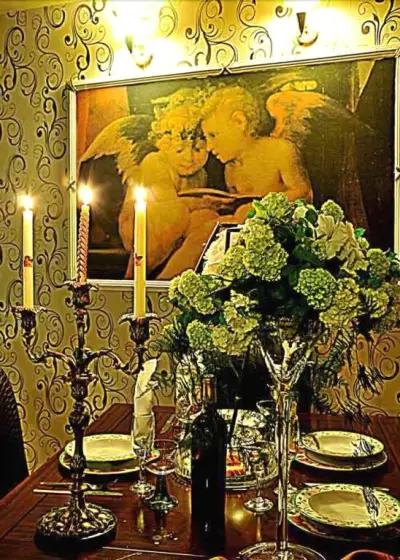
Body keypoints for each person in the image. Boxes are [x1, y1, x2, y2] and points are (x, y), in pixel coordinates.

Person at [118, 89, 224, 279]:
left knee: (205, 217)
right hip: (142, 227)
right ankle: (136, 273)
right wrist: (202, 202)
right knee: (172, 211)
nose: (189, 158)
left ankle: (176, 276)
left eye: (198, 149)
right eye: (179, 150)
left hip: (177, 227)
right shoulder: (155, 161)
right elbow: (167, 206)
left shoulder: (200, 174)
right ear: (163, 144)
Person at [200, 85, 313, 222]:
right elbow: (242, 206)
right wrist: (223, 204)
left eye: (213, 135)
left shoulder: (280, 150)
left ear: (239, 122)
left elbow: (304, 193)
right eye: (206, 138)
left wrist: (259, 208)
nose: (209, 147)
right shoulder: (231, 168)